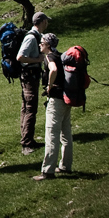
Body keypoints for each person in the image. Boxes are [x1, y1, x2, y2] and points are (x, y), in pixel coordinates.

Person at [33, 32, 73, 180]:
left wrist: (49, 86)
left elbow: (54, 69)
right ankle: (65, 165)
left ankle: (47, 171)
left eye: (42, 42)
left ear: (48, 45)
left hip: (55, 100)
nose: (39, 44)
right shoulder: (60, 56)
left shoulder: (49, 57)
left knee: (51, 134)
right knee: (66, 133)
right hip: (65, 98)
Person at [16, 11, 48, 154]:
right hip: (29, 76)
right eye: (46, 21)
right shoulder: (31, 37)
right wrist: (38, 60)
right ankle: (27, 144)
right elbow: (20, 57)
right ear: (42, 22)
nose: (47, 23)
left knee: (26, 108)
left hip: (30, 76)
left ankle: (27, 139)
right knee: (30, 108)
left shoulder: (36, 36)